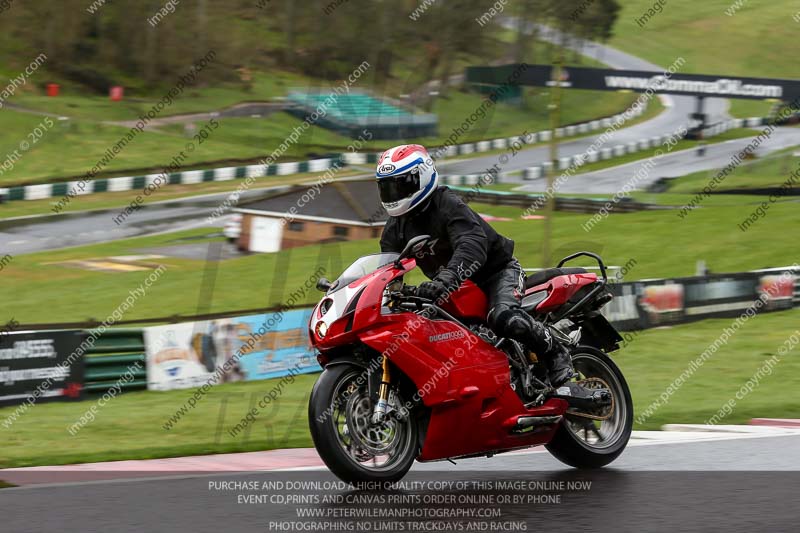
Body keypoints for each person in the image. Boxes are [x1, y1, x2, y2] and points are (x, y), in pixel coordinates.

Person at [376, 144, 602, 401]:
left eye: (401, 184)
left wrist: (445, 279)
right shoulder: (395, 226)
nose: (394, 192)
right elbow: (387, 268)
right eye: (388, 186)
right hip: (452, 289)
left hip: (497, 273)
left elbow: (471, 245)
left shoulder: (447, 205)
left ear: (422, 176)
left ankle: (556, 354)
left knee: (504, 317)